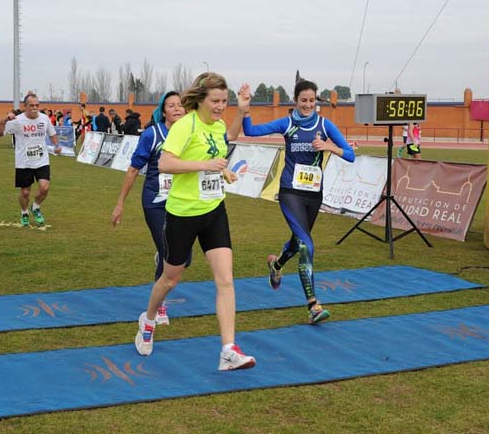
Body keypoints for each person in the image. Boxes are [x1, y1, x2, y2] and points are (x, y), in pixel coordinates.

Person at [134, 72, 256, 372]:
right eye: (215, 101)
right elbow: (165, 163)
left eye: (224, 101)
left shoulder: (215, 126)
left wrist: (240, 114)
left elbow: (226, 142)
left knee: (225, 280)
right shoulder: (185, 125)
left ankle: (228, 349)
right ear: (200, 99)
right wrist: (206, 165)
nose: (219, 107)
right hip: (183, 213)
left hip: (214, 210)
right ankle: (148, 320)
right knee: (170, 278)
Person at [238, 79, 356, 324]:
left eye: (312, 100)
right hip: (290, 190)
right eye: (304, 100)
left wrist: (328, 146)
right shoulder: (288, 123)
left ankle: (277, 263)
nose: (308, 105)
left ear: (317, 101)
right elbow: (251, 131)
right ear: (296, 101)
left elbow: (351, 155)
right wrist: (246, 108)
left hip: (313, 194)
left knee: (297, 241)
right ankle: (313, 306)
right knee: (306, 245)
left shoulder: (325, 125)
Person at [112, 92, 189, 324]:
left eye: (180, 105)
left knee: (185, 258)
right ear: (163, 111)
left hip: (183, 202)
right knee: (168, 254)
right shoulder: (152, 135)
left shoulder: (190, 135)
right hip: (155, 202)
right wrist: (120, 204)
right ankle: (159, 306)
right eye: (171, 105)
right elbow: (133, 170)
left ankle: (161, 258)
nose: (176, 109)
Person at [0, 94, 62, 227]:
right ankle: (24, 212)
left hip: (41, 160)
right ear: (25, 106)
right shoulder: (18, 121)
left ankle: (36, 208)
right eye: (31, 105)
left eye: (37, 105)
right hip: (24, 162)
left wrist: (57, 146)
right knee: (25, 192)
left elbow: (52, 134)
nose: (35, 108)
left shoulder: (44, 119)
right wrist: (4, 120)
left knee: (44, 188)